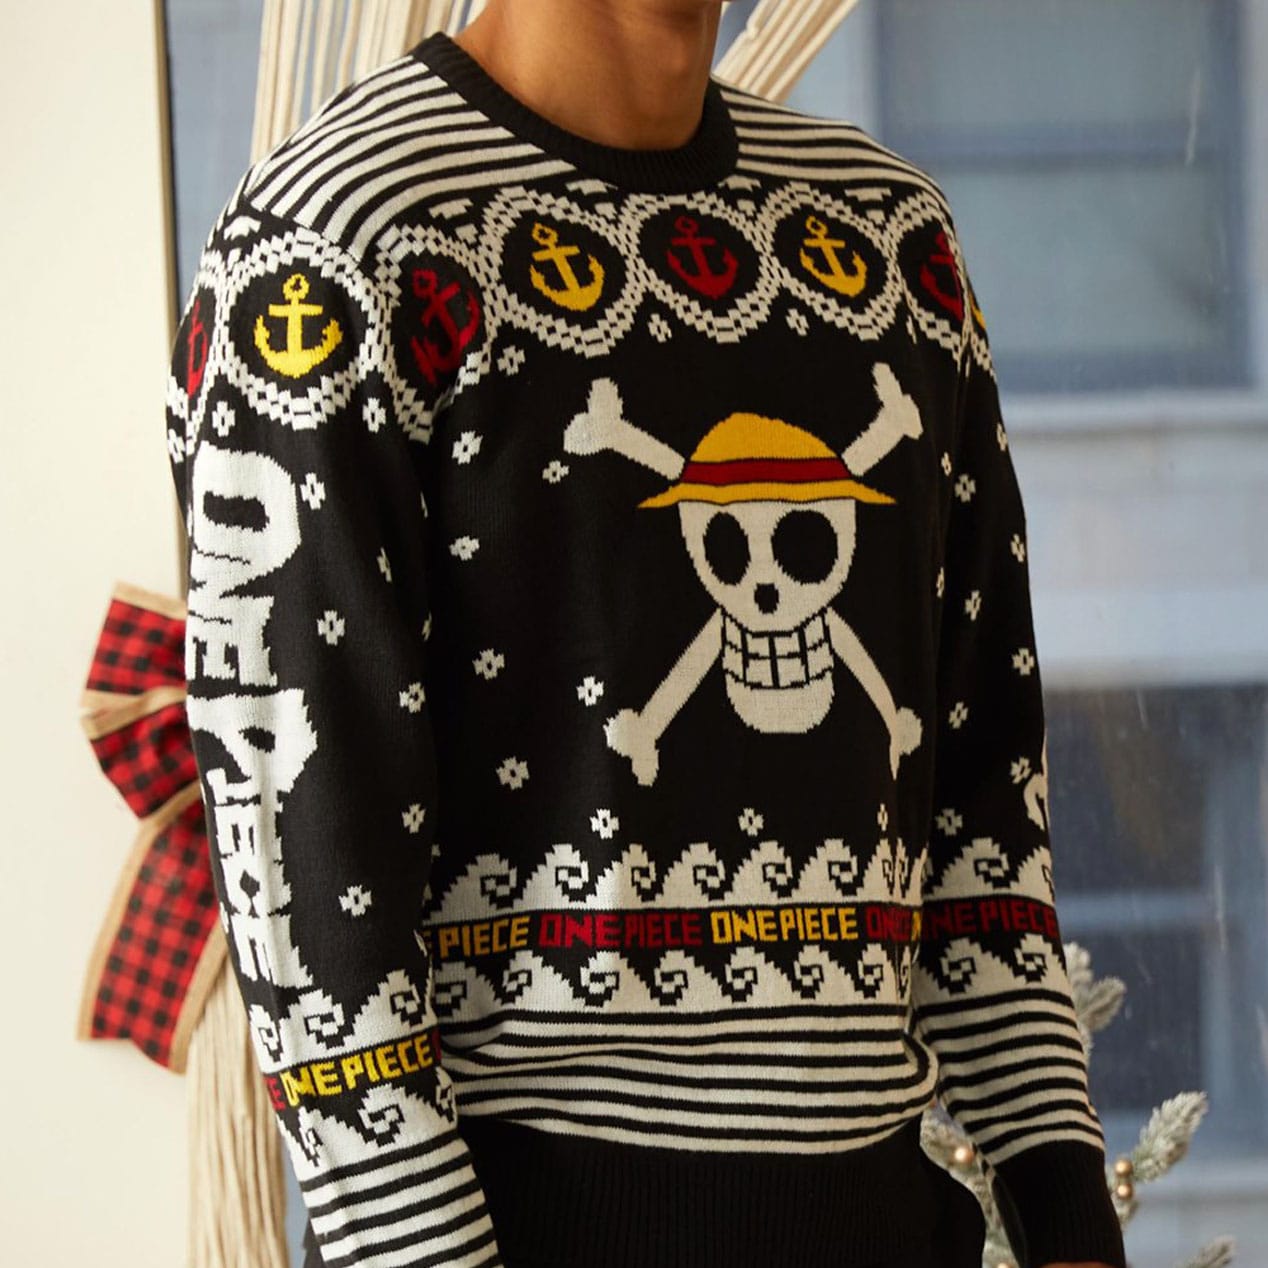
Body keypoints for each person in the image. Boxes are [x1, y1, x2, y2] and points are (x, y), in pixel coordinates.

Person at [165, 3, 1129, 1267]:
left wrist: (1068, 1218)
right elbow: (312, 892)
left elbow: (982, 809)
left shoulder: (888, 240)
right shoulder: (329, 250)